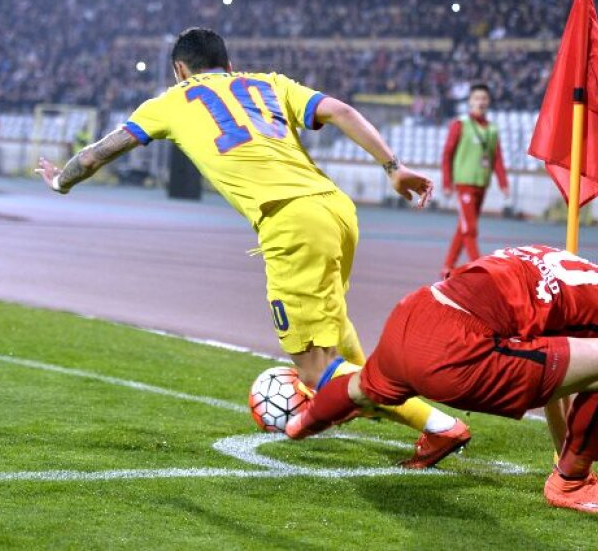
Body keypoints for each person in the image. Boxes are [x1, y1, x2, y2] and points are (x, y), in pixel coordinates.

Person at [34, 27, 468, 468]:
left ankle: (440, 427)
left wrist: (58, 181)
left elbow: (93, 156)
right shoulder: (269, 83)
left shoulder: (170, 101)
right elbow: (338, 109)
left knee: (316, 372)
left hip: (290, 222)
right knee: (334, 329)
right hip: (336, 209)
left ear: (180, 70)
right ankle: (368, 402)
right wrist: (392, 167)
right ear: (227, 64)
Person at [287, 244, 598, 524]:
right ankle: (571, 484)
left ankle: (301, 421)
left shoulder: (582, 274)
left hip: (413, 313)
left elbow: (554, 382)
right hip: (455, 349)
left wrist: (571, 458)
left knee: (363, 387)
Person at [440, 83, 510, 278]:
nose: (480, 102)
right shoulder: (460, 124)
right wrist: (447, 182)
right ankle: (478, 268)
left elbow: (497, 157)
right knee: (470, 228)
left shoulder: (492, 129)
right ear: (470, 101)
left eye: (484, 98)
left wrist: (503, 182)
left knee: (463, 228)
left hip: (482, 184)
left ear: (488, 102)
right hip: (464, 184)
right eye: (477, 98)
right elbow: (447, 154)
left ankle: (447, 266)